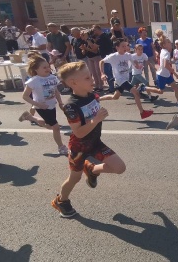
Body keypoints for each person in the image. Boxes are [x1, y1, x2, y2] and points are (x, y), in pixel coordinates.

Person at [50, 61, 127, 218]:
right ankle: (61, 201)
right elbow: (78, 133)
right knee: (74, 178)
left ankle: (92, 169)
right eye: (87, 78)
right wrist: (96, 120)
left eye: (91, 76)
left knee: (120, 167)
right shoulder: (71, 106)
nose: (92, 79)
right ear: (73, 83)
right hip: (79, 148)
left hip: (95, 143)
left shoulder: (91, 95)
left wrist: (113, 96)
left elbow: (98, 98)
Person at [18, 56, 68, 155]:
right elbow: (25, 96)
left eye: (48, 67)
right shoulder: (33, 81)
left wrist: (60, 103)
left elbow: (56, 91)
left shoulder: (53, 78)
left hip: (51, 105)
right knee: (56, 127)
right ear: (36, 69)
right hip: (41, 107)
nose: (47, 69)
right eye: (44, 67)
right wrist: (38, 104)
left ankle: (30, 117)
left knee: (49, 126)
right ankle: (61, 147)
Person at [100, 40, 154, 120]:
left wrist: (137, 65)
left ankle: (97, 99)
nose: (125, 48)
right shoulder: (113, 56)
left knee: (115, 97)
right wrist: (102, 74)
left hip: (125, 79)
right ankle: (142, 112)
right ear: (117, 47)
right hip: (120, 80)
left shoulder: (128, 55)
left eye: (126, 46)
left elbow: (133, 60)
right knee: (136, 92)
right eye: (123, 46)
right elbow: (101, 62)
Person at [156, 36, 178, 110]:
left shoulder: (163, 51)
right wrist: (174, 72)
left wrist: (171, 62)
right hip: (162, 75)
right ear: (164, 45)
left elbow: (165, 62)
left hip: (166, 75)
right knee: (160, 91)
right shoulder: (166, 53)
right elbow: (165, 65)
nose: (170, 43)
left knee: (175, 88)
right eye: (168, 42)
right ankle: (144, 88)